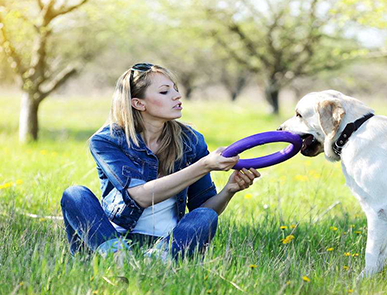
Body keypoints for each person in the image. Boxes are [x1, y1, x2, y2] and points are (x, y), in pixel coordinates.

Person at [60, 62, 260, 261]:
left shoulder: (191, 140)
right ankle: (116, 257)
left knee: (206, 216)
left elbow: (203, 208)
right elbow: (140, 197)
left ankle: (157, 259)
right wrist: (204, 165)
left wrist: (229, 190)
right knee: (75, 195)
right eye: (165, 92)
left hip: (167, 241)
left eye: (175, 88)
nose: (177, 95)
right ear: (138, 103)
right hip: (114, 236)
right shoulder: (107, 140)